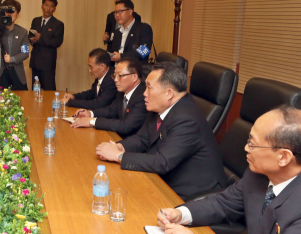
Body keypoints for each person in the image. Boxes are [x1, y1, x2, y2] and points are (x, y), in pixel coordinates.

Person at [159, 106, 301, 234]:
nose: (245, 148)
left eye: (253, 144)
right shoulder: (259, 173)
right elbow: (224, 203)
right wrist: (181, 214)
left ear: (283, 157)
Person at [95, 62, 225, 200]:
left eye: (149, 88)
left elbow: (162, 162)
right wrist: (119, 146)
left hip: (191, 195)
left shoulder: (187, 119)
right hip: (163, 180)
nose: (144, 93)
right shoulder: (159, 107)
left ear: (169, 93)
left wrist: (118, 156)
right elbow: (142, 139)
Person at [71, 59, 147, 138]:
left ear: (134, 77)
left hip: (133, 144)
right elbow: (111, 110)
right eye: (114, 76)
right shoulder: (122, 92)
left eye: (119, 75)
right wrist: (90, 113)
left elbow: (126, 126)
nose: (115, 80)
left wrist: (92, 121)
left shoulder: (143, 96)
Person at [0, 0, 29, 90]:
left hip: (17, 73)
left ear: (17, 15)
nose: (9, 14)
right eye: (7, 11)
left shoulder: (22, 32)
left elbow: (25, 53)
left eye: (12, 11)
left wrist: (12, 59)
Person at [29, 0, 64, 91]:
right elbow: (30, 36)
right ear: (42, 6)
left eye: (51, 6)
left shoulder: (58, 24)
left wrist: (41, 38)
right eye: (46, 5)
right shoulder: (35, 20)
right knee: (35, 90)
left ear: (54, 9)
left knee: (49, 90)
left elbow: (57, 42)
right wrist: (31, 40)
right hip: (35, 61)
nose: (48, 8)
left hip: (48, 63)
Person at [108, 0, 153, 65]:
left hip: (135, 70)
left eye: (120, 12)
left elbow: (144, 51)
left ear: (130, 11)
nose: (117, 15)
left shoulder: (143, 28)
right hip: (116, 69)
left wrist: (121, 57)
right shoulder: (117, 32)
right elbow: (113, 51)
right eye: (115, 12)